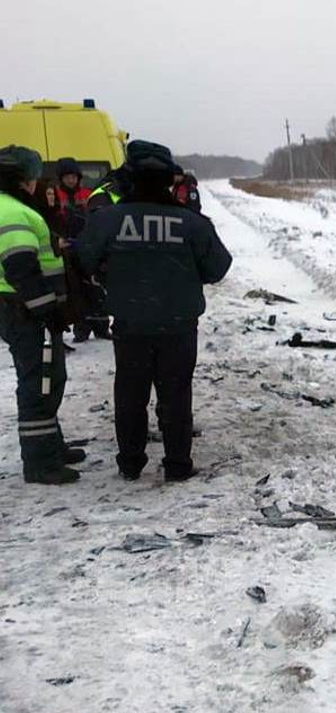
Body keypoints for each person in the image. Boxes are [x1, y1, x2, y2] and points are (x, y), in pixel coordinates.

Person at [78, 140, 232, 482]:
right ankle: (177, 465)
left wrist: (108, 273)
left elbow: (83, 259)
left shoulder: (108, 220)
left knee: (130, 395)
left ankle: (130, 463)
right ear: (168, 179)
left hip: (131, 324)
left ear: (130, 176)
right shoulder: (192, 223)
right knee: (176, 395)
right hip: (178, 325)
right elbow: (218, 267)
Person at [0, 145, 84, 484]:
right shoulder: (14, 212)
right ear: (23, 178)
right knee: (39, 383)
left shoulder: (11, 207)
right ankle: (40, 463)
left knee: (50, 376)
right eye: (34, 175)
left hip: (22, 308)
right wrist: (46, 309)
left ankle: (51, 445)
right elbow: (21, 267)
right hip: (23, 311)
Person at [53, 158, 110, 341]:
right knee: (77, 292)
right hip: (67, 251)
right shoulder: (55, 195)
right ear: (61, 178)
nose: (71, 180)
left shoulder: (88, 194)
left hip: (88, 248)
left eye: (74, 176)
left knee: (96, 289)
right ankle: (81, 328)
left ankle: (101, 326)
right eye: (67, 177)